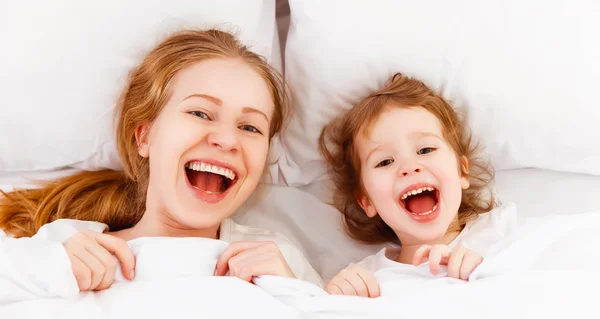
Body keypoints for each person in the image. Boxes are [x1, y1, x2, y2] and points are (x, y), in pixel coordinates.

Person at [0, 29, 322, 293]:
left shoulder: (277, 259)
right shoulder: (70, 243)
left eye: (250, 127)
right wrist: (50, 269)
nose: (227, 139)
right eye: (200, 113)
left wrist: (295, 296)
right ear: (144, 137)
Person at [319, 73, 512, 297]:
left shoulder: (498, 230)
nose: (409, 167)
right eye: (385, 162)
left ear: (462, 170)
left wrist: (486, 270)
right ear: (367, 201)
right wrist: (334, 294)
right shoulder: (368, 276)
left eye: (425, 150)